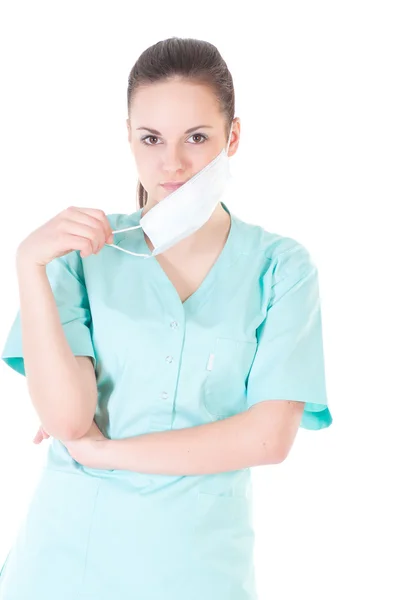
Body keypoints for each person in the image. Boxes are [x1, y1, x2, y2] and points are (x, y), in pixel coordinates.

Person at [0, 37, 332, 600]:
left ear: (233, 137)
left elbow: (268, 439)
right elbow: (68, 419)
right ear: (127, 137)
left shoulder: (280, 266)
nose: (172, 163)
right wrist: (28, 264)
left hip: (201, 571)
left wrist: (106, 453)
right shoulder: (82, 254)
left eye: (196, 138)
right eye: (150, 138)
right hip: (67, 564)